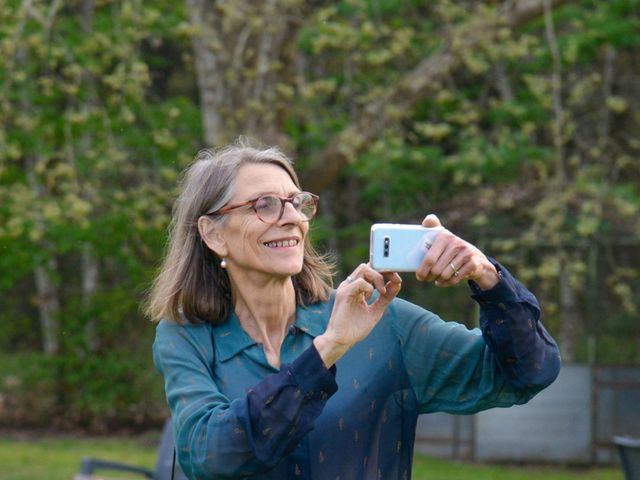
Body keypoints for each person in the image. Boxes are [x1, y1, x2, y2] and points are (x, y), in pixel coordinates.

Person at [147, 140, 561, 480]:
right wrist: (328, 349)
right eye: (265, 205)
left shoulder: (385, 323)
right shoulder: (186, 336)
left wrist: (487, 277)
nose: (292, 218)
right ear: (212, 234)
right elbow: (212, 455)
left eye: (297, 203)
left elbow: (528, 372)